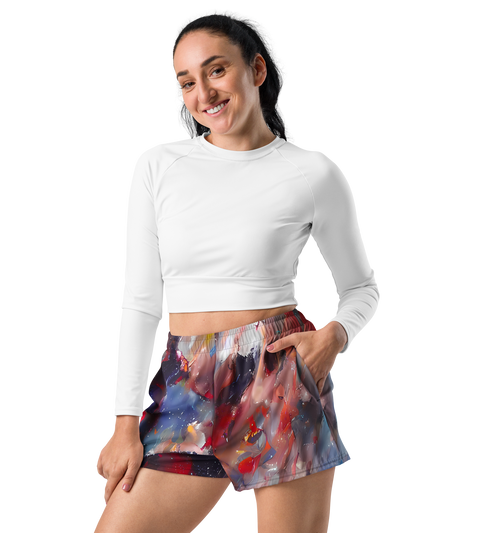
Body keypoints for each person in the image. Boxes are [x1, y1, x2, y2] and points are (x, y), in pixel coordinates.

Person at [92, 6, 381, 533]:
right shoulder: (158, 165)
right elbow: (139, 302)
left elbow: (362, 287)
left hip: (281, 375)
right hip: (184, 382)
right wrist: (124, 422)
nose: (204, 92)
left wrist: (335, 336)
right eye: (187, 82)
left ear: (257, 68)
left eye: (217, 70)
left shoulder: (313, 170)